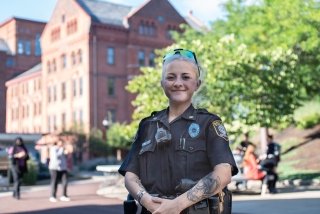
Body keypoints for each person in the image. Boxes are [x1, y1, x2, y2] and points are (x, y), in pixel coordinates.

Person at [119, 48, 238, 214]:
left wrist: (176, 205)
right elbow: (130, 175)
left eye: (186, 77)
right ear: (162, 84)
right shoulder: (147, 125)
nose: (178, 83)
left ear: (197, 84)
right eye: (170, 77)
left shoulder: (209, 123)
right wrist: (147, 201)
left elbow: (224, 173)